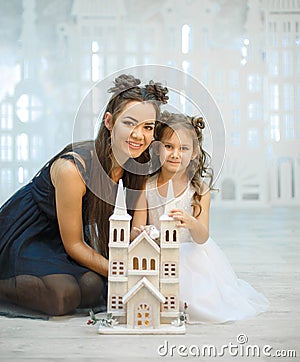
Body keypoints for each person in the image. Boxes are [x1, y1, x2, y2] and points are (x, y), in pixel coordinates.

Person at [0, 74, 168, 316]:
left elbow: (134, 227)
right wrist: (121, 273)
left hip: (65, 238)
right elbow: (74, 244)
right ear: (109, 122)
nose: (139, 135)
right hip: (32, 233)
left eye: (148, 127)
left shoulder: (138, 166)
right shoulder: (74, 169)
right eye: (129, 123)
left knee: (91, 288)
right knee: (62, 297)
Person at [131, 111, 269, 323]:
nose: (176, 154)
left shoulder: (198, 190)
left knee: (194, 300)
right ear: (158, 149)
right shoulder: (146, 186)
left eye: (184, 148)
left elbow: (202, 236)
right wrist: (141, 232)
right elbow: (136, 229)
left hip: (190, 255)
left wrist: (192, 222)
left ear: (194, 153)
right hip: (157, 252)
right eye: (169, 147)